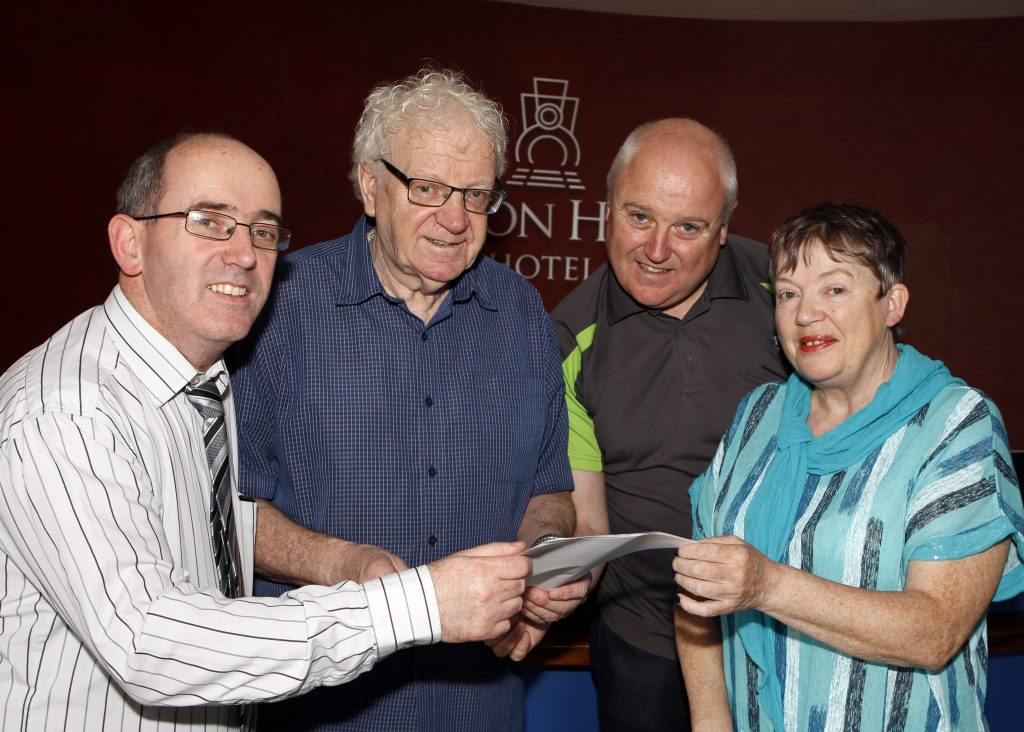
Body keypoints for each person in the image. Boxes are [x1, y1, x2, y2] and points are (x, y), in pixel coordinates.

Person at [0, 131, 534, 732]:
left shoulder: (200, 382)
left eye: (262, 231)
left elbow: (192, 521)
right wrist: (417, 605)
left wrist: (342, 561)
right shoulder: (67, 409)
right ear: (130, 242)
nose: (244, 254)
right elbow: (150, 643)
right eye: (209, 221)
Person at [230, 69, 586, 731]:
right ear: (370, 185)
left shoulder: (522, 315)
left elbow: (549, 490)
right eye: (427, 189)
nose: (454, 220)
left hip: (479, 704)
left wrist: (543, 559)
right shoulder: (279, 306)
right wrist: (343, 563)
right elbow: (226, 509)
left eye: (475, 195)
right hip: (324, 709)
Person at [674, 202, 1024, 730]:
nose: (806, 314)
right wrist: (709, 721)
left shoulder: (955, 423)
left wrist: (767, 586)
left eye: (834, 289)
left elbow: (935, 633)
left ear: (893, 304)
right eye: (789, 293)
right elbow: (699, 588)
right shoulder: (757, 416)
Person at [551, 118, 787, 730]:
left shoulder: (789, 290)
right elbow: (589, 521)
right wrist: (552, 584)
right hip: (643, 639)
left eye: (688, 227)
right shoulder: (568, 336)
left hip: (788, 627)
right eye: (639, 217)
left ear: (725, 229)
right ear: (605, 209)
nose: (657, 250)